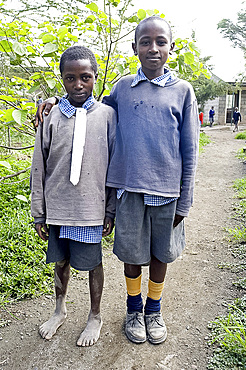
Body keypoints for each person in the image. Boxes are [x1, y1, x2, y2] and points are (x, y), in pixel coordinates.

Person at [36, 16, 200, 345]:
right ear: (134, 47)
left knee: (160, 255)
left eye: (160, 42)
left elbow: (190, 149)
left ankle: (153, 309)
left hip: (167, 192)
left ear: (171, 46)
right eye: (145, 42)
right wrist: (54, 99)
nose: (153, 48)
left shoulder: (183, 91)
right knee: (132, 254)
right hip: (129, 192)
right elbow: (86, 106)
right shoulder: (123, 88)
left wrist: (185, 199)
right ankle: (134, 309)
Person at [31, 45, 116, 347]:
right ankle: (59, 309)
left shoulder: (107, 115)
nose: (78, 85)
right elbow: (39, 166)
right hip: (57, 208)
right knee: (60, 262)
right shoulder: (51, 116)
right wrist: (38, 212)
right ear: (62, 79)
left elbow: (116, 165)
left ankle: (95, 316)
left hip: (91, 209)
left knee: (93, 263)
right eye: (70, 78)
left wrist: (110, 210)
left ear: (96, 77)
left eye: (85, 77)